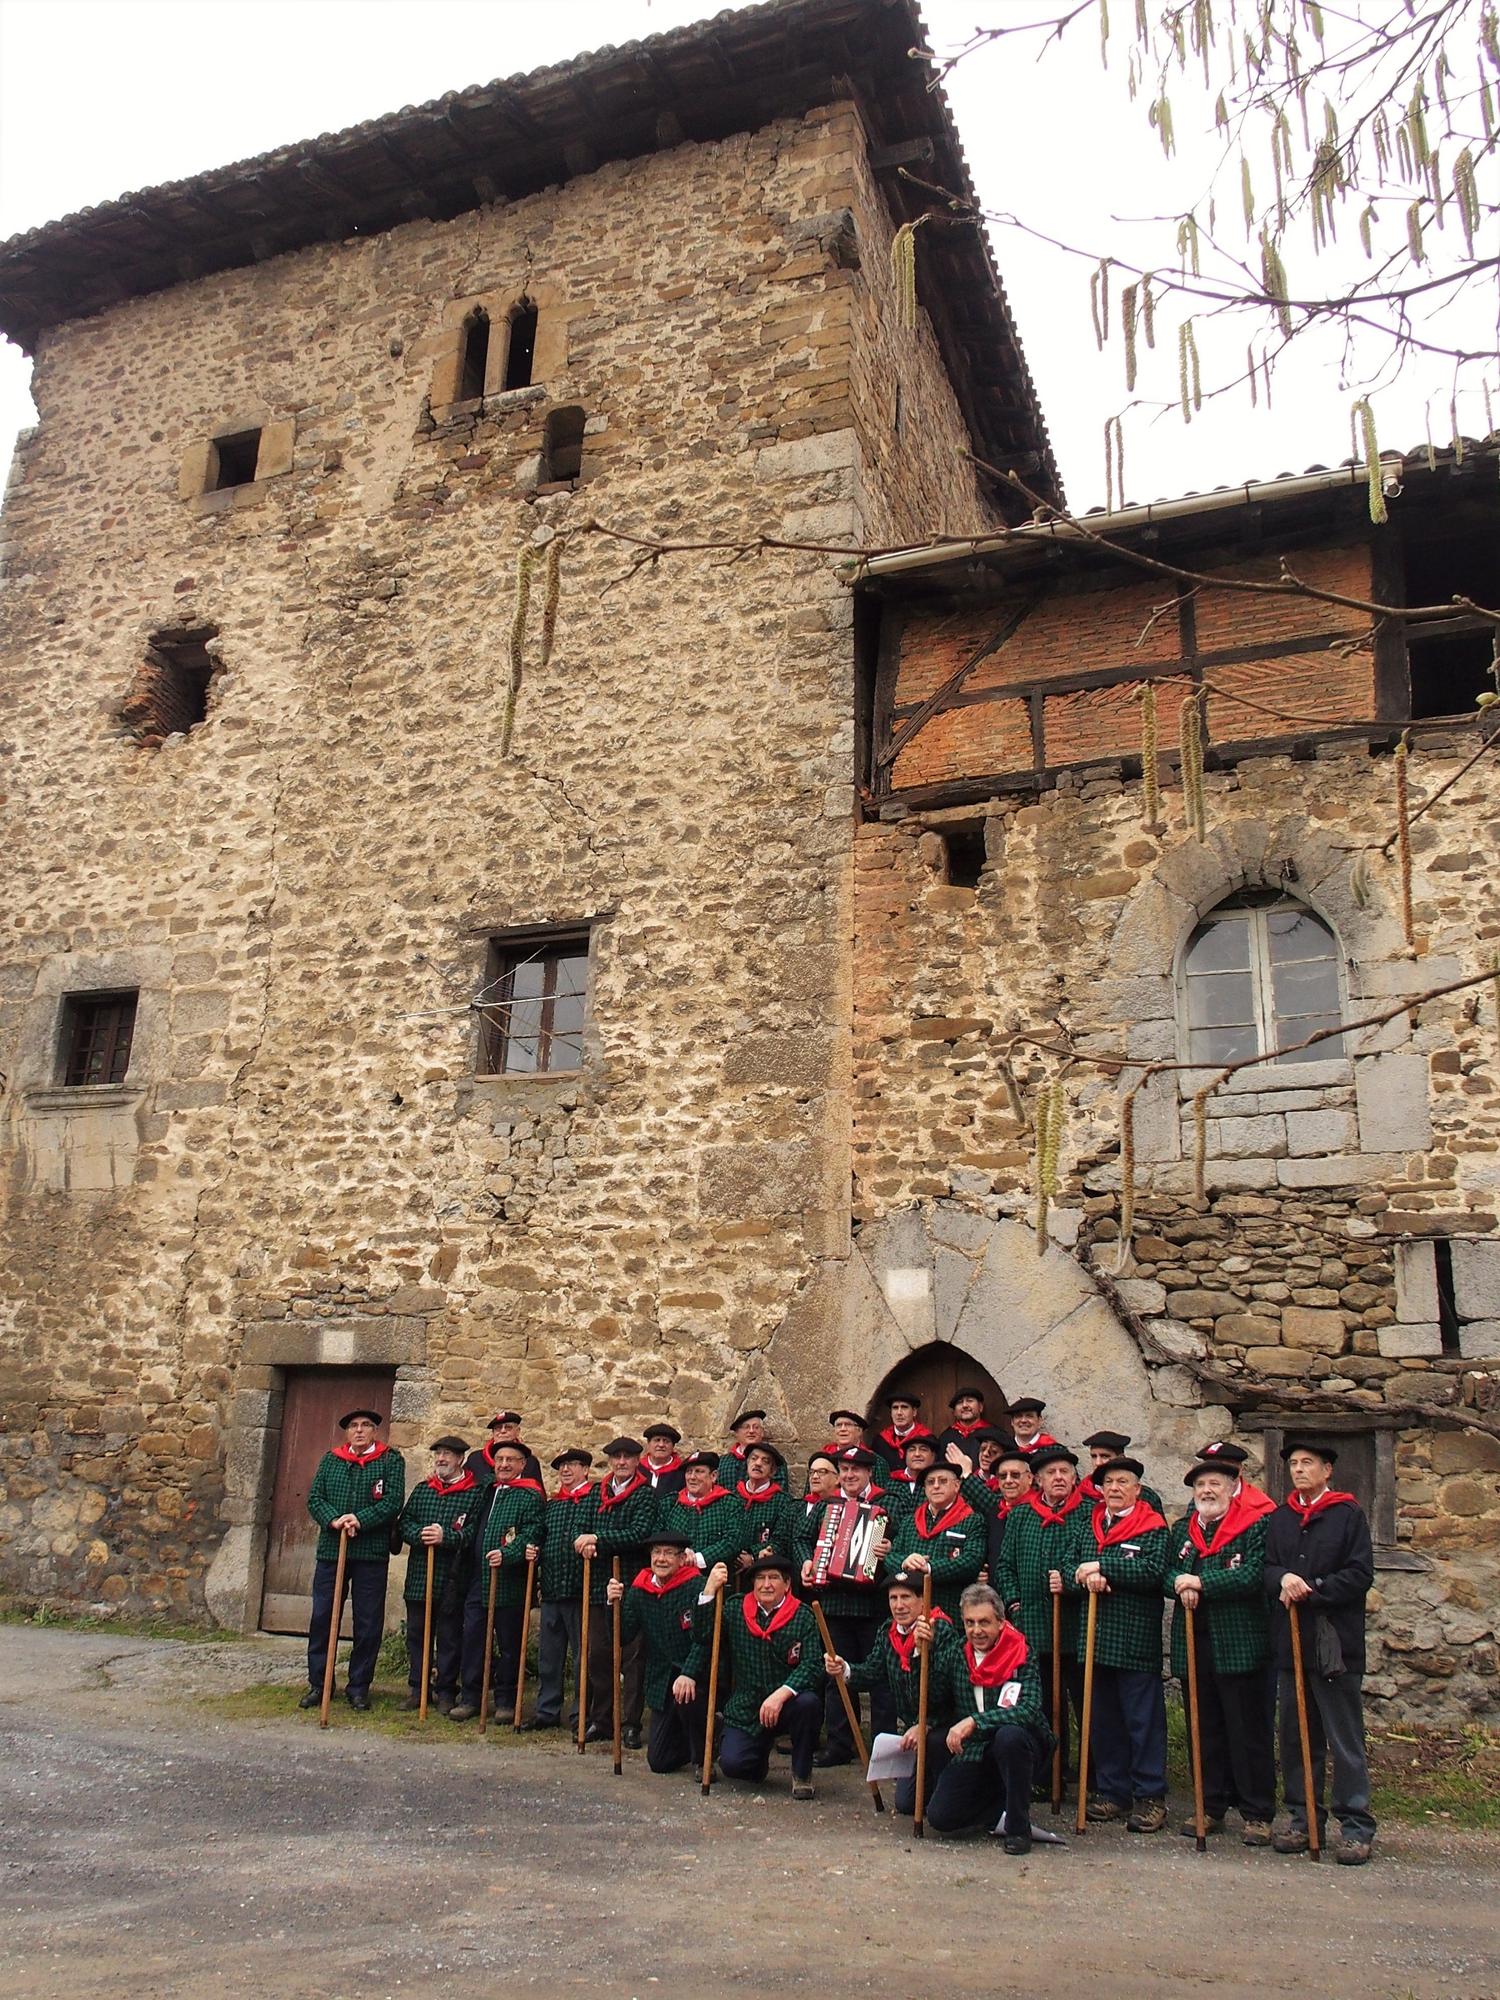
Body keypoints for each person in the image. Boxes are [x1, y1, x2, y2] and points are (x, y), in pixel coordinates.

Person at [1263, 1438, 1377, 1865]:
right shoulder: (1281, 1518)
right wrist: (1282, 1579)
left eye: (1307, 1463)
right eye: (1293, 1464)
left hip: (1335, 1645)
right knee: (1296, 1736)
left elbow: (1360, 1573)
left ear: (1327, 1470)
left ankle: (1355, 1824)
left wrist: (1313, 1589)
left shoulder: (1348, 1515)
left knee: (1343, 1736)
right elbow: (1268, 1567)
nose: (1299, 1470)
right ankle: (1303, 1817)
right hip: (1290, 1643)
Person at [1166, 1460, 1276, 1845]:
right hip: (1195, 1640)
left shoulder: (1254, 1526)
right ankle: (1208, 1806)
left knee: (1247, 1730)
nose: (1207, 1491)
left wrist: (1201, 1582)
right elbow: (1167, 1572)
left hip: (1240, 1642)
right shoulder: (1184, 1530)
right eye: (1200, 1485)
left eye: (1215, 1483)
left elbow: (1251, 1576)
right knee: (1203, 1726)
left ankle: (1257, 1812)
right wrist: (1181, 1583)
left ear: (1233, 1487)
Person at [1060, 1453, 1170, 1831]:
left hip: (1135, 1639)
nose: (1115, 1489)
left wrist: (1105, 1568)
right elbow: (1071, 1562)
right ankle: (1113, 1792)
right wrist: (1086, 1575)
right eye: (1108, 1483)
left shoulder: (1152, 1526)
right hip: (1095, 1637)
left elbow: (1154, 1570)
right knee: (1102, 1719)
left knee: (1142, 1722)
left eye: (1123, 1483)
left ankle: (1151, 1796)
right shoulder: (1088, 1525)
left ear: (1137, 1489)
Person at [921, 1583, 1055, 1854]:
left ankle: (1019, 1827)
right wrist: (920, 1654)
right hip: (977, 1750)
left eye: (984, 1622)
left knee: (1009, 1736)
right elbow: (932, 1701)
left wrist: (975, 1721)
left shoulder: (1021, 1652)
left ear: (1001, 1623)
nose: (977, 1630)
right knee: (940, 1817)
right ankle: (998, 1808)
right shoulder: (957, 1653)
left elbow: (1028, 1709)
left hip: (1022, 1744)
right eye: (970, 1623)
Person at [823, 1569, 960, 1815]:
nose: (899, 1605)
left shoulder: (941, 1632)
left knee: (944, 1810)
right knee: (906, 1804)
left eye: (906, 1597)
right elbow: (873, 1671)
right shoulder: (889, 1631)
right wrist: (844, 1669)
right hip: (913, 1732)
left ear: (922, 1600)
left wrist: (919, 1654)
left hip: (942, 1730)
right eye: (893, 1598)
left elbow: (945, 1692)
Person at [693, 1553, 823, 1799]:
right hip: (747, 1706)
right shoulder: (734, 1609)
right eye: (760, 1578)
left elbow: (813, 1665)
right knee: (734, 1766)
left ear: (787, 1584)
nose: (766, 1584)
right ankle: (755, 1752)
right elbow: (702, 1635)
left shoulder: (803, 1615)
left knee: (809, 1704)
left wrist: (781, 1694)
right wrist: (709, 1590)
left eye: (774, 1578)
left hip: (786, 1704)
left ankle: (802, 1773)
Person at [301, 1408, 406, 1713]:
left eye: (366, 1426)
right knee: (323, 1617)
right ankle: (319, 1683)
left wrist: (359, 1519)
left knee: (368, 1621)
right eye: (354, 1426)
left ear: (375, 1431)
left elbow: (391, 1501)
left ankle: (359, 1687)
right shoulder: (331, 1460)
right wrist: (334, 1520)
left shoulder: (390, 1460)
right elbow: (315, 1499)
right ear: (347, 1432)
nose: (359, 1431)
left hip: (370, 1553)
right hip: (333, 1551)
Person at [798, 1445, 895, 1767]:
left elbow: (906, 1538)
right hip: (835, 1603)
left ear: (868, 1472)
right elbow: (801, 1538)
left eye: (857, 1470)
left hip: (874, 1605)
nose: (850, 1475)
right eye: (845, 1470)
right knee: (836, 1675)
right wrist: (807, 1562)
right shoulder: (828, 1505)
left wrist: (890, 1547)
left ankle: (883, 1749)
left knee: (880, 1678)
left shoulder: (888, 1502)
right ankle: (841, 1744)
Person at [995, 1445, 1086, 1781]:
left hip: (1075, 1627)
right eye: (1051, 1473)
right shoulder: (1021, 1516)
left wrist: (1070, 1580)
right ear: (1038, 1480)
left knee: (1082, 1704)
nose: (1058, 1478)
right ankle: (1048, 1774)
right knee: (1042, 1705)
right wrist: (1014, 1602)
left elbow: (1089, 1560)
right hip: (1032, 1624)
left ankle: (1088, 1777)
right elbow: (1005, 1566)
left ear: (1074, 1478)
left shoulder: (1087, 1513)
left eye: (1064, 1472)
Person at [450, 1440, 545, 1722]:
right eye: (500, 1459)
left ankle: (505, 1701)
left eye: (511, 1460)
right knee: (473, 1638)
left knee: (509, 1644)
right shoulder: (486, 1490)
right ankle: (471, 1697)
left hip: (509, 1582)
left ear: (522, 1465)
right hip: (479, 1578)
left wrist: (508, 1553)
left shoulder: (530, 1496)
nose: (504, 1464)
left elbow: (533, 1532)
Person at [575, 1436, 657, 1748]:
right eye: (615, 1457)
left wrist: (597, 1537)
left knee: (632, 1657)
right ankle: (602, 1719)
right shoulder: (597, 1492)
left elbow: (639, 1534)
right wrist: (579, 1542)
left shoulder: (645, 1496)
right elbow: (580, 1526)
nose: (621, 1462)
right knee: (598, 1655)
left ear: (638, 1460)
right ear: (609, 1461)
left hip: (631, 1584)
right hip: (597, 1583)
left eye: (627, 1457)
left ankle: (630, 1723)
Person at [606, 1531, 708, 1773]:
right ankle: (697, 1743)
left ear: (682, 1559)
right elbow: (622, 1636)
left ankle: (703, 1756)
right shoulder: (640, 1590)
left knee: (690, 1702)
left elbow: (705, 1638)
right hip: (661, 1679)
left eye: (668, 1553)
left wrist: (689, 1673)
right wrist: (612, 1605)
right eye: (656, 1553)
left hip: (694, 1676)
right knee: (659, 1762)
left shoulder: (697, 1586)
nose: (661, 1559)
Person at [395, 1434, 476, 1713]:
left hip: (452, 1578)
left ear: (460, 1459)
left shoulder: (473, 1493)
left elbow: (473, 1533)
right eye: (438, 1454)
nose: (441, 1459)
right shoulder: (423, 1490)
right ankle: (418, 1688)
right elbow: (404, 1523)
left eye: (448, 1455)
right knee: (417, 1634)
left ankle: (445, 1691)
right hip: (420, 1576)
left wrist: (447, 1537)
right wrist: (419, 1534)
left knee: (449, 1636)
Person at [521, 1447, 595, 1733]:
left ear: (585, 1469)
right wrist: (532, 1549)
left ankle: (581, 1714)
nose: (565, 1470)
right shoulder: (553, 1505)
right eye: (561, 1466)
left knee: (582, 1658)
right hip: (552, 1589)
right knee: (549, 1657)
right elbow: (539, 1534)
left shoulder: (594, 1500)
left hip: (581, 1591)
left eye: (572, 1465)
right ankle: (547, 1710)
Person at [885, 1460, 987, 1618]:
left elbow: (972, 1561)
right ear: (925, 1488)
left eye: (943, 1481)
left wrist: (929, 1567)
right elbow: (889, 1557)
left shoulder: (972, 1520)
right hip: (912, 1615)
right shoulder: (910, 1521)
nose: (936, 1486)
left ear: (957, 1485)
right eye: (931, 1482)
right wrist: (905, 1562)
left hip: (952, 1610)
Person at [657, 1448, 743, 1573]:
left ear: (713, 1476)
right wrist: (680, 1553)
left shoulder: (729, 1503)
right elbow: (657, 1536)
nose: (692, 1477)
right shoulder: (670, 1503)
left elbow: (733, 1541)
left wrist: (698, 1559)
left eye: (699, 1472)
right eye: (689, 1472)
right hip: (674, 1576)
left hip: (713, 1578)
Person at [734, 1443, 799, 1571]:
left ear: (772, 1471)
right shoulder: (732, 1497)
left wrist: (753, 1556)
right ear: (747, 1464)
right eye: (754, 1458)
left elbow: (781, 1539)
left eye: (765, 1461)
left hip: (764, 1568)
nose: (758, 1463)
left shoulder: (783, 1502)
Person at [1080, 1430, 1165, 1514]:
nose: (1098, 1463)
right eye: (1094, 1456)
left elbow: (1157, 1525)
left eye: (1104, 1456)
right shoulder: (1081, 1494)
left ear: (1120, 1458)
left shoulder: (1146, 1496)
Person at [466, 1411, 543, 1487]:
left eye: (508, 1427)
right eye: (498, 1428)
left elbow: (537, 1491)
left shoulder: (530, 1461)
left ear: (517, 1431)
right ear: (493, 1433)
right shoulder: (475, 1459)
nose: (503, 1431)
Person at [870, 1394, 934, 1473]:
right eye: (895, 1408)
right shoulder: (880, 1441)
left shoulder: (928, 1439)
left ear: (914, 1412)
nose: (899, 1413)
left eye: (904, 1407)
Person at [884, 1434, 938, 1527]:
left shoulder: (939, 1486)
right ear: (905, 1456)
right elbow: (880, 1517)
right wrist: (880, 1538)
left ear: (933, 1456)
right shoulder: (890, 1484)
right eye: (912, 1450)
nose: (917, 1454)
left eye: (923, 1449)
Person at [716, 1408, 769, 1490]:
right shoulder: (721, 1462)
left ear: (762, 1432)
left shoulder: (773, 1460)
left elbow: (780, 1494)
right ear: (737, 1433)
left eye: (756, 1427)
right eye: (746, 1427)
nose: (751, 1431)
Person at [936, 1387, 991, 1460]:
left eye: (970, 1401)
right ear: (954, 1412)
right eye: (959, 1402)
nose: (965, 1405)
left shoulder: (993, 1434)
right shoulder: (945, 1437)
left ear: (980, 1407)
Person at [642, 1422, 686, 1499]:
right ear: (648, 1444)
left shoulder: (682, 1472)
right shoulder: (637, 1469)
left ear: (673, 1446)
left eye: (666, 1441)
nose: (661, 1445)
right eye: (657, 1440)